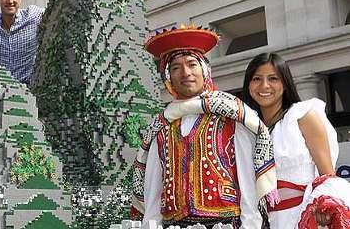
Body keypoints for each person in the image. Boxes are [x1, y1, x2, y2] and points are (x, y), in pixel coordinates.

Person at [131, 25, 279, 228]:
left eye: (192, 64)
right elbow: (153, 191)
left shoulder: (231, 115)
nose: (186, 73)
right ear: (169, 79)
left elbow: (247, 182)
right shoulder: (162, 126)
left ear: (205, 70)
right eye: (176, 68)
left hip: (224, 224)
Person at [242, 52, 350, 228]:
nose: (264, 85)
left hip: (300, 217)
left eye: (273, 78)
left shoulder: (303, 116)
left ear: (285, 83)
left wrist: (324, 207)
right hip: (259, 221)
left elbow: (328, 175)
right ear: (248, 84)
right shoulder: (246, 128)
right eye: (256, 79)